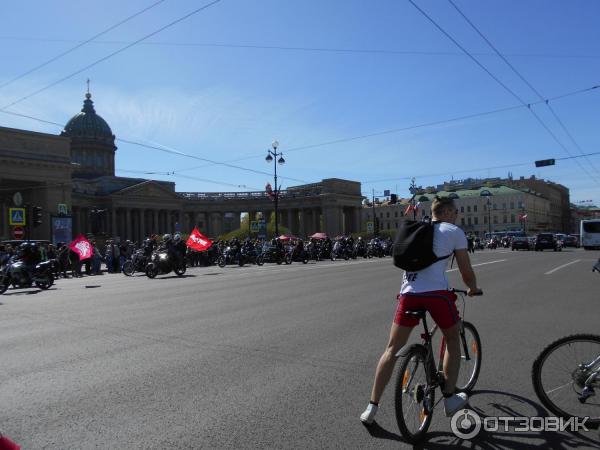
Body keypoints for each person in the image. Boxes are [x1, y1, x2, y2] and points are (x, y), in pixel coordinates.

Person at [360, 196, 483, 425]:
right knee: (453, 338)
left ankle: (371, 407)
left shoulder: (417, 229)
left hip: (408, 294)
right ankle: (449, 399)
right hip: (437, 295)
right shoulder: (453, 231)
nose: (456, 217)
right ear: (446, 212)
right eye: (454, 212)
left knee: (391, 349)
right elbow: (466, 271)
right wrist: (473, 288)